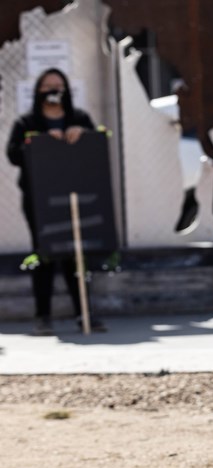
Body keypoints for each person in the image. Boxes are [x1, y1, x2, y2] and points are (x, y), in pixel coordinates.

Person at [6, 68, 106, 335]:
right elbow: (13, 154)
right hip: (40, 200)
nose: (53, 91)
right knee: (45, 255)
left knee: (76, 257)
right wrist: (38, 143)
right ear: (38, 91)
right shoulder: (27, 123)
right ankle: (43, 316)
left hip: (75, 198)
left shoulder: (80, 118)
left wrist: (81, 134)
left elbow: (96, 149)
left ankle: (84, 313)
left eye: (58, 85)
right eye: (47, 86)